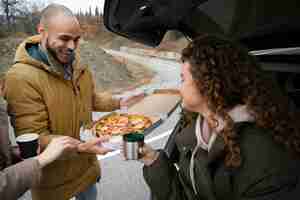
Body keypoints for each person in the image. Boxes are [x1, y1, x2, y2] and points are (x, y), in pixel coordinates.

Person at [4, 3, 143, 200]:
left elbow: (90, 98)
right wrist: (78, 146)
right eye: (64, 38)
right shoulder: (20, 78)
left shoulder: (77, 63)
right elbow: (34, 138)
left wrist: (118, 102)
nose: (72, 47)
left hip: (86, 170)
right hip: (54, 182)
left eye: (76, 40)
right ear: (42, 32)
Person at [140, 35, 300, 200]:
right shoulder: (195, 129)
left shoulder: (267, 162)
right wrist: (152, 159)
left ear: (207, 83)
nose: (178, 87)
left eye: (183, 79)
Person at [0, 75, 83, 200]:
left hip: (82, 171)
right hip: (52, 182)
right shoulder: (20, 77)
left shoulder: (75, 66)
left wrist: (11, 154)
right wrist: (41, 159)